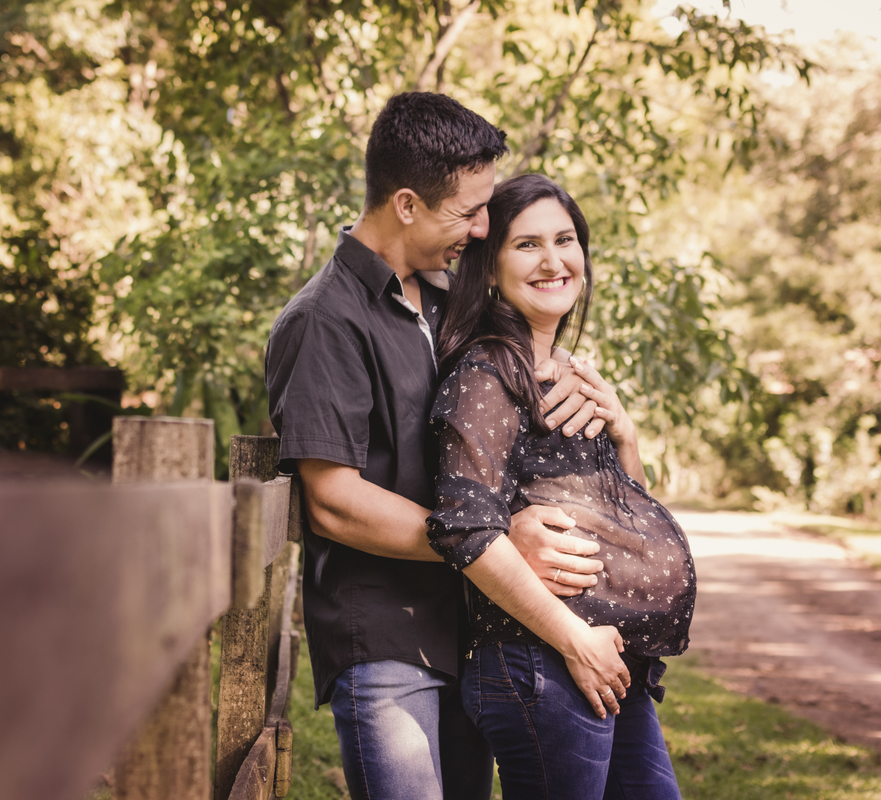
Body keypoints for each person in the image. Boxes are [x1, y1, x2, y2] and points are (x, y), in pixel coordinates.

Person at [266, 93, 613, 800]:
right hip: (385, 644)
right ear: (405, 204)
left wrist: (607, 412)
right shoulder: (324, 319)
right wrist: (490, 543)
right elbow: (333, 502)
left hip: (472, 631)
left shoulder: (448, 299)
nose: (484, 227)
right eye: (467, 212)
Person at [427, 173, 696, 799]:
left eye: (565, 240)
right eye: (527, 245)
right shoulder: (488, 372)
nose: (553, 261)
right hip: (542, 658)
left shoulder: (569, 374)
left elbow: (626, 514)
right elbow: (465, 531)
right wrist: (575, 641)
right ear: (490, 269)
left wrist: (624, 433)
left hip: (604, 658)